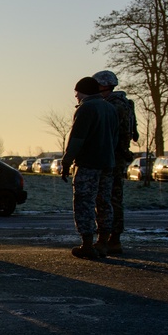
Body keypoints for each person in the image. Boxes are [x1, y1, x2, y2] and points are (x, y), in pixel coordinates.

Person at [61, 77, 118, 259]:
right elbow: (115, 137)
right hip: (108, 163)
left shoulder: (86, 109)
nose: (76, 96)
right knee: (104, 202)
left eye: (77, 92)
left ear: (83, 91)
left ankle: (87, 243)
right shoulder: (110, 108)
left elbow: (77, 139)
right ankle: (103, 241)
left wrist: (66, 161)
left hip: (88, 164)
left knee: (84, 202)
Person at [93, 69, 138, 256]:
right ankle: (112, 239)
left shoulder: (115, 105)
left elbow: (122, 135)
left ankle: (108, 239)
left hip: (112, 158)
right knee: (113, 198)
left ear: (104, 85)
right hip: (115, 157)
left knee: (108, 199)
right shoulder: (122, 104)